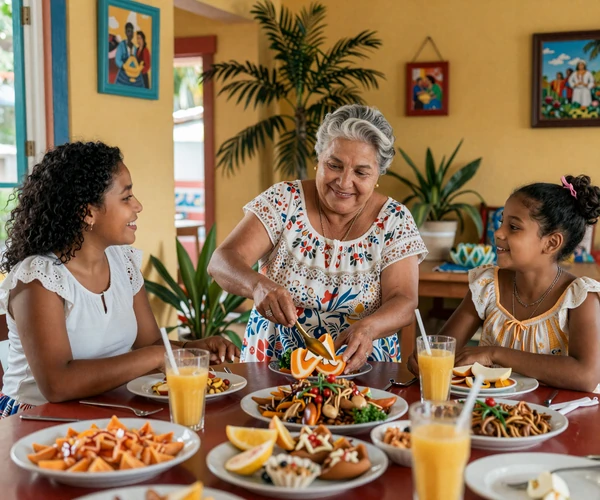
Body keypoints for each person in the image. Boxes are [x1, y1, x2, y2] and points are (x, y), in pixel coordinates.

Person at [0, 142, 238, 416]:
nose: (138, 206)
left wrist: (191, 349)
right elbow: (58, 384)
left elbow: (148, 343)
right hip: (34, 419)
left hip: (107, 407)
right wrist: (155, 357)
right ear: (87, 212)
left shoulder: (122, 262)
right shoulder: (39, 278)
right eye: (126, 198)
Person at [208, 104, 428, 374]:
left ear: (378, 175)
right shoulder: (283, 200)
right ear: (318, 158)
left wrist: (369, 327)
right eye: (334, 165)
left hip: (363, 367)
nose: (344, 182)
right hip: (272, 365)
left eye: (361, 172)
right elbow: (221, 261)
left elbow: (404, 300)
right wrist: (257, 286)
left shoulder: (394, 219)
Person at [408, 175, 600, 392]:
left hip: (557, 416)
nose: (498, 233)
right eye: (501, 223)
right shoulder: (487, 286)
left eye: (514, 227)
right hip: (490, 411)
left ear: (551, 243)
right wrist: (426, 356)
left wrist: (494, 353)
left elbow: (587, 375)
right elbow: (445, 349)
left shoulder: (579, 297)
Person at [114, 22, 144, 88]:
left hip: (135, 74)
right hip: (124, 74)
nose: (130, 33)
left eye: (131, 31)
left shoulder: (135, 48)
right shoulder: (121, 45)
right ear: (125, 32)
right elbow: (117, 60)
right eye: (128, 31)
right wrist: (124, 67)